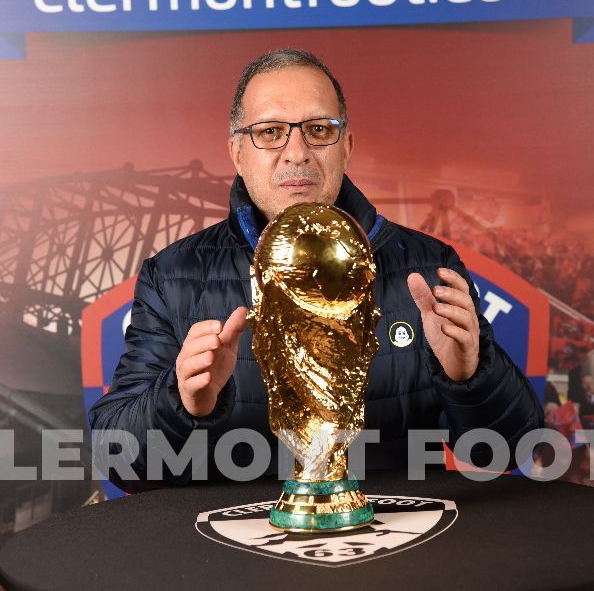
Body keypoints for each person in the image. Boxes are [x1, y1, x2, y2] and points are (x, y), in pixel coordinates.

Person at [88, 49, 542, 486]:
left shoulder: (428, 267)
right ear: (237, 153)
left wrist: (469, 377)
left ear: (347, 146)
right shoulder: (172, 277)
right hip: (228, 537)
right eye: (270, 132)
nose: (297, 153)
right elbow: (118, 460)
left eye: (319, 129)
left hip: (395, 533)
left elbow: (510, 450)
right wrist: (183, 402)